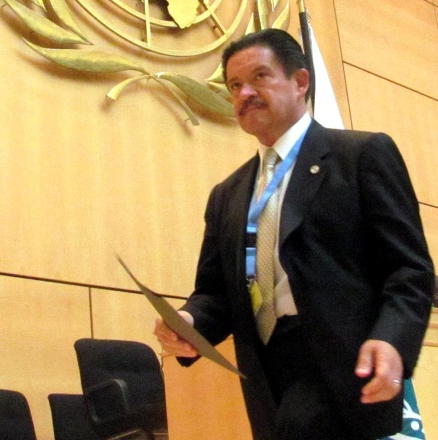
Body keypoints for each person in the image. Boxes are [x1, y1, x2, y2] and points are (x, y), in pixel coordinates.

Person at [154, 29, 434, 440]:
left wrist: (392, 340)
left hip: (346, 368)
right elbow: (216, 294)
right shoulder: (227, 195)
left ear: (300, 81)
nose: (245, 93)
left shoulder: (360, 156)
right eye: (235, 85)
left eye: (260, 77)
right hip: (265, 377)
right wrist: (189, 321)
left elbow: (410, 270)